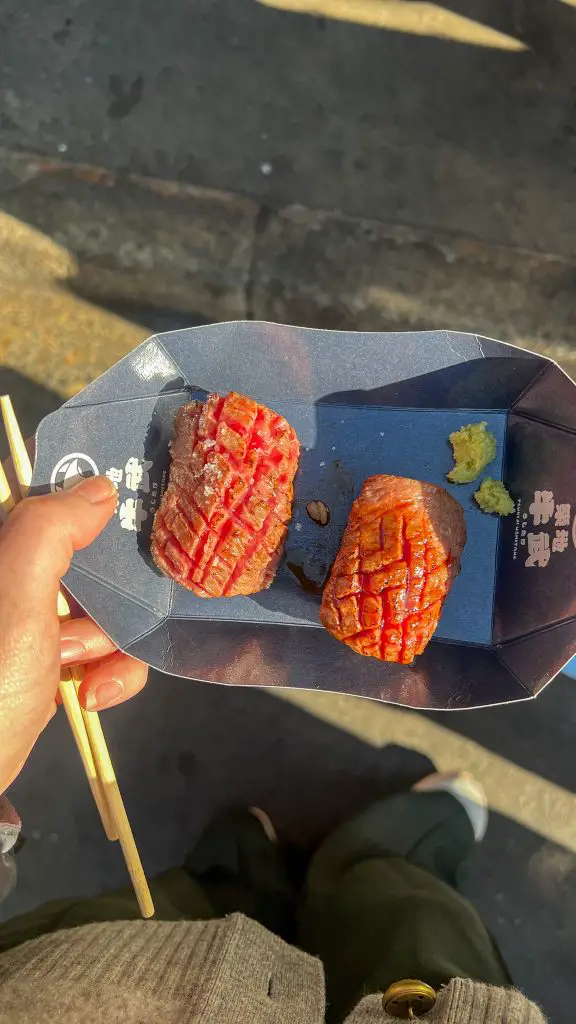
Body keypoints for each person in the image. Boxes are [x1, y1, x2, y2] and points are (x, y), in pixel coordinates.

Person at [0, 476, 546, 1023]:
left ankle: (238, 870)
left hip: (73, 988)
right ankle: (396, 856)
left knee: (165, 916)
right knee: (412, 923)